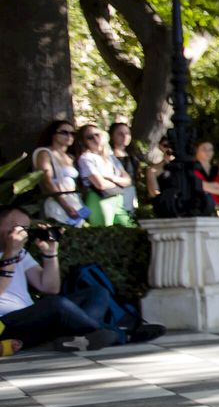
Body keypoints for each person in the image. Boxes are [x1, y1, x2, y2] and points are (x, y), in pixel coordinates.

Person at [0, 205, 164, 352]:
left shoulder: (19, 252)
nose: (20, 232)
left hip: (31, 320)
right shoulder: (13, 252)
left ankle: (77, 339)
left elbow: (49, 287)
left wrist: (50, 253)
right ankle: (121, 335)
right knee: (56, 304)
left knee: (97, 292)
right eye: (16, 226)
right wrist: (10, 255)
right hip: (6, 326)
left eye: (25, 228)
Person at [74, 124, 136, 226]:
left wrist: (111, 178)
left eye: (97, 135)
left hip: (117, 199)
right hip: (99, 198)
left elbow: (128, 180)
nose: (95, 138)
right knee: (104, 229)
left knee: (129, 227)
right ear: (84, 141)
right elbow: (100, 184)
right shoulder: (86, 158)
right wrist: (119, 182)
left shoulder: (111, 157)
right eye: (90, 137)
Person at [31, 120, 89, 227]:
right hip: (56, 201)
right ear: (53, 134)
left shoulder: (70, 157)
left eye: (72, 133)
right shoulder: (44, 153)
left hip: (75, 201)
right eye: (64, 132)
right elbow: (47, 181)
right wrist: (65, 205)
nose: (69, 136)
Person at [107, 122, 141, 216]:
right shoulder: (108, 155)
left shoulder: (132, 156)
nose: (124, 136)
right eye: (120, 133)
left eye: (127, 133)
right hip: (115, 193)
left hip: (130, 192)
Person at [193, 141, 219, 209]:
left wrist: (205, 187)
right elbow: (195, 186)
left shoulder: (217, 169)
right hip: (198, 206)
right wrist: (216, 186)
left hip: (217, 207)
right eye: (204, 149)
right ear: (197, 151)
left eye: (210, 150)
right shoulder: (192, 167)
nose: (207, 152)